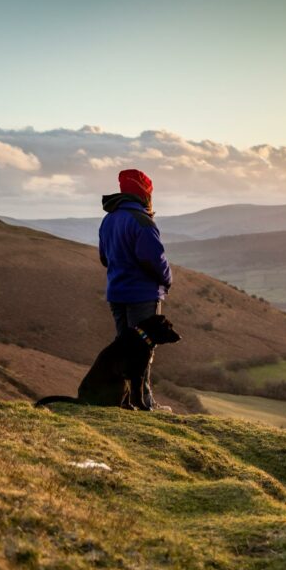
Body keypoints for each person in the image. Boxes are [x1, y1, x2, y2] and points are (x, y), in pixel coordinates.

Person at [98, 169, 172, 410]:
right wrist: (167, 279)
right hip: (142, 295)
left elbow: (104, 258)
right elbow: (154, 260)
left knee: (123, 349)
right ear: (145, 194)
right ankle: (145, 404)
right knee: (142, 351)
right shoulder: (142, 221)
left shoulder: (109, 219)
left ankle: (124, 400)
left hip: (116, 293)